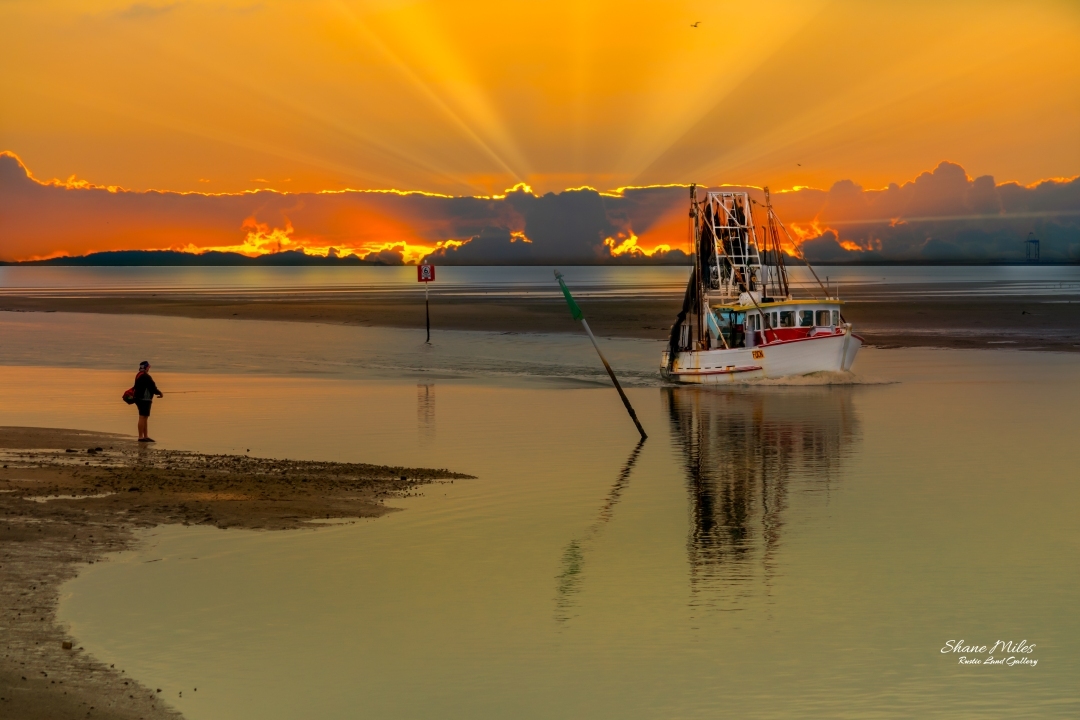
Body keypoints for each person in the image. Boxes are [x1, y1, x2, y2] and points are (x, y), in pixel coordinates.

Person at [133, 360, 163, 442]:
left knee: (145, 417)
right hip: (144, 399)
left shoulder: (139, 375)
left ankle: (145, 436)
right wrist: (160, 393)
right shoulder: (146, 376)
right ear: (146, 367)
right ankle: (140, 437)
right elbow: (153, 387)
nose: (149, 368)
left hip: (139, 398)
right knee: (142, 417)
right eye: (148, 367)